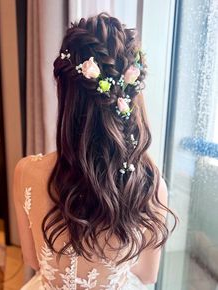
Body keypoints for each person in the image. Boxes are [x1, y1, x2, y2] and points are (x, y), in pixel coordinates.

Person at [13, 12, 177, 290]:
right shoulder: (150, 184)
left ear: (64, 92)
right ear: (130, 94)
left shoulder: (26, 172)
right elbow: (148, 276)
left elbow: (32, 259)